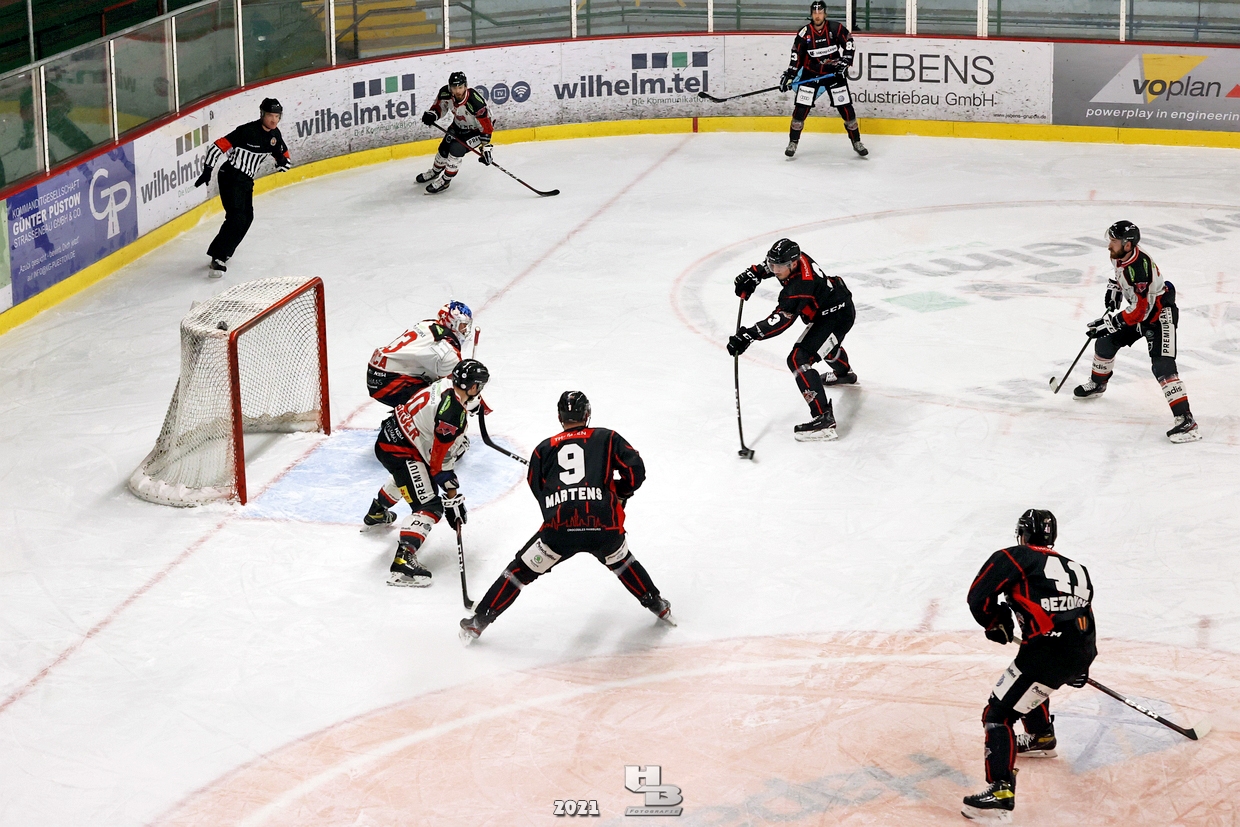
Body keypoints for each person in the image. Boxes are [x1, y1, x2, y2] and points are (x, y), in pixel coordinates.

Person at [459, 391, 674, 644]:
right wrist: (621, 492)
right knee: (623, 562)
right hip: (603, 527)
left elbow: (536, 486)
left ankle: (479, 622)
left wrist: (559, 506)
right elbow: (636, 470)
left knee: (519, 572)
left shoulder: (543, 449)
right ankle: (658, 605)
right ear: (587, 414)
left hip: (559, 531)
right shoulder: (607, 438)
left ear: (560, 417)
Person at [962, 509, 1097, 822]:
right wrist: (1081, 661)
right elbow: (1083, 615)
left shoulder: (1014, 557)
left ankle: (1000, 792)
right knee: (1032, 681)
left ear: (1022, 533)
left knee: (997, 714)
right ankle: (1040, 737)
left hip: (1045, 652)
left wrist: (994, 622)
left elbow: (978, 597)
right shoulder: (1078, 568)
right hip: (1081, 648)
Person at [1074, 221, 1200, 443]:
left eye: (1113, 241)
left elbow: (1141, 311)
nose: (1109, 246)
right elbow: (1120, 275)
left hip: (1159, 314)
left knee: (1162, 366)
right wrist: (1114, 288)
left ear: (1127, 244)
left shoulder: (1139, 269)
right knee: (1105, 342)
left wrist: (1111, 323)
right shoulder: (1119, 255)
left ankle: (1186, 421)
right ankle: (1098, 383)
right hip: (1140, 310)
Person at [365, 359, 488, 583]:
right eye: (479, 387)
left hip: (391, 435)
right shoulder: (452, 417)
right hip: (400, 450)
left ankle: (377, 512)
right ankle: (403, 561)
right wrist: (452, 499)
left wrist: (476, 403)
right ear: (472, 387)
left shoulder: (446, 383)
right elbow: (438, 465)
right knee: (430, 505)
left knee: (409, 477)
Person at [727, 238, 857, 441]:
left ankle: (824, 419)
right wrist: (756, 273)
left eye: (778, 266)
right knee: (825, 346)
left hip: (836, 317)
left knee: (799, 359)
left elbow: (780, 321)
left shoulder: (799, 287)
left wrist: (748, 335)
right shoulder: (795, 259)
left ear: (793, 264)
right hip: (833, 305)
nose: (774, 270)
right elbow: (774, 264)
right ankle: (844, 374)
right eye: (772, 264)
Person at [195, 98, 292, 276]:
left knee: (247, 217)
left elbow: (284, 158)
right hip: (230, 176)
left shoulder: (274, 135)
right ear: (262, 115)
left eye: (277, 116)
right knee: (237, 217)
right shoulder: (247, 131)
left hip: (246, 180)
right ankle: (218, 257)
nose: (274, 120)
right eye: (270, 115)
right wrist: (208, 170)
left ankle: (224, 250)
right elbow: (217, 147)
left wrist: (282, 162)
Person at [779, 0, 866, 159]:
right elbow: (796, 56)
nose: (817, 16)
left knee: (846, 109)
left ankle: (857, 141)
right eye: (815, 13)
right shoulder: (804, 33)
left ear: (825, 13)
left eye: (820, 12)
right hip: (811, 75)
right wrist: (790, 75)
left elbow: (849, 43)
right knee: (800, 109)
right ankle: (793, 142)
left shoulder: (835, 28)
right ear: (811, 14)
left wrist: (844, 63)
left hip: (833, 74)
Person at [367, 301, 473, 408]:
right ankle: (401, 418)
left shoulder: (428, 324)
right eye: (462, 325)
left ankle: (400, 416)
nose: (465, 330)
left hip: (377, 370)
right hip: (389, 380)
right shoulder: (446, 344)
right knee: (438, 401)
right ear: (451, 323)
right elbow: (453, 381)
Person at [416, 72, 495, 195]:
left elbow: (487, 127)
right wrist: (432, 115)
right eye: (454, 87)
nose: (457, 91)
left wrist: (485, 149)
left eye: (460, 87)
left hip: (476, 132)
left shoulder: (475, 102)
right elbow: (439, 108)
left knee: (456, 149)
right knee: (443, 149)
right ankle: (435, 171)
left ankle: (445, 181)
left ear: (466, 86)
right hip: (457, 126)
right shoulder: (445, 93)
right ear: (450, 87)